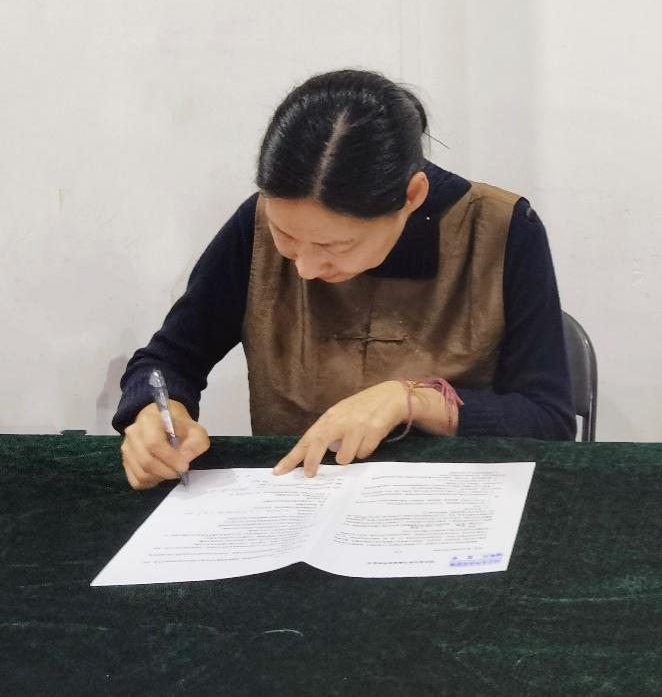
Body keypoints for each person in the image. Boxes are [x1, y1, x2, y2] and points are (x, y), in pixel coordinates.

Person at [116, 70, 574, 489]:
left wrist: (411, 400)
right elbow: (168, 360)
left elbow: (548, 420)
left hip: (450, 500)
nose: (305, 268)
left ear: (412, 196)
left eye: (335, 246)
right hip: (296, 498)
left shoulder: (500, 229)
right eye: (286, 236)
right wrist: (155, 416)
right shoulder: (254, 225)